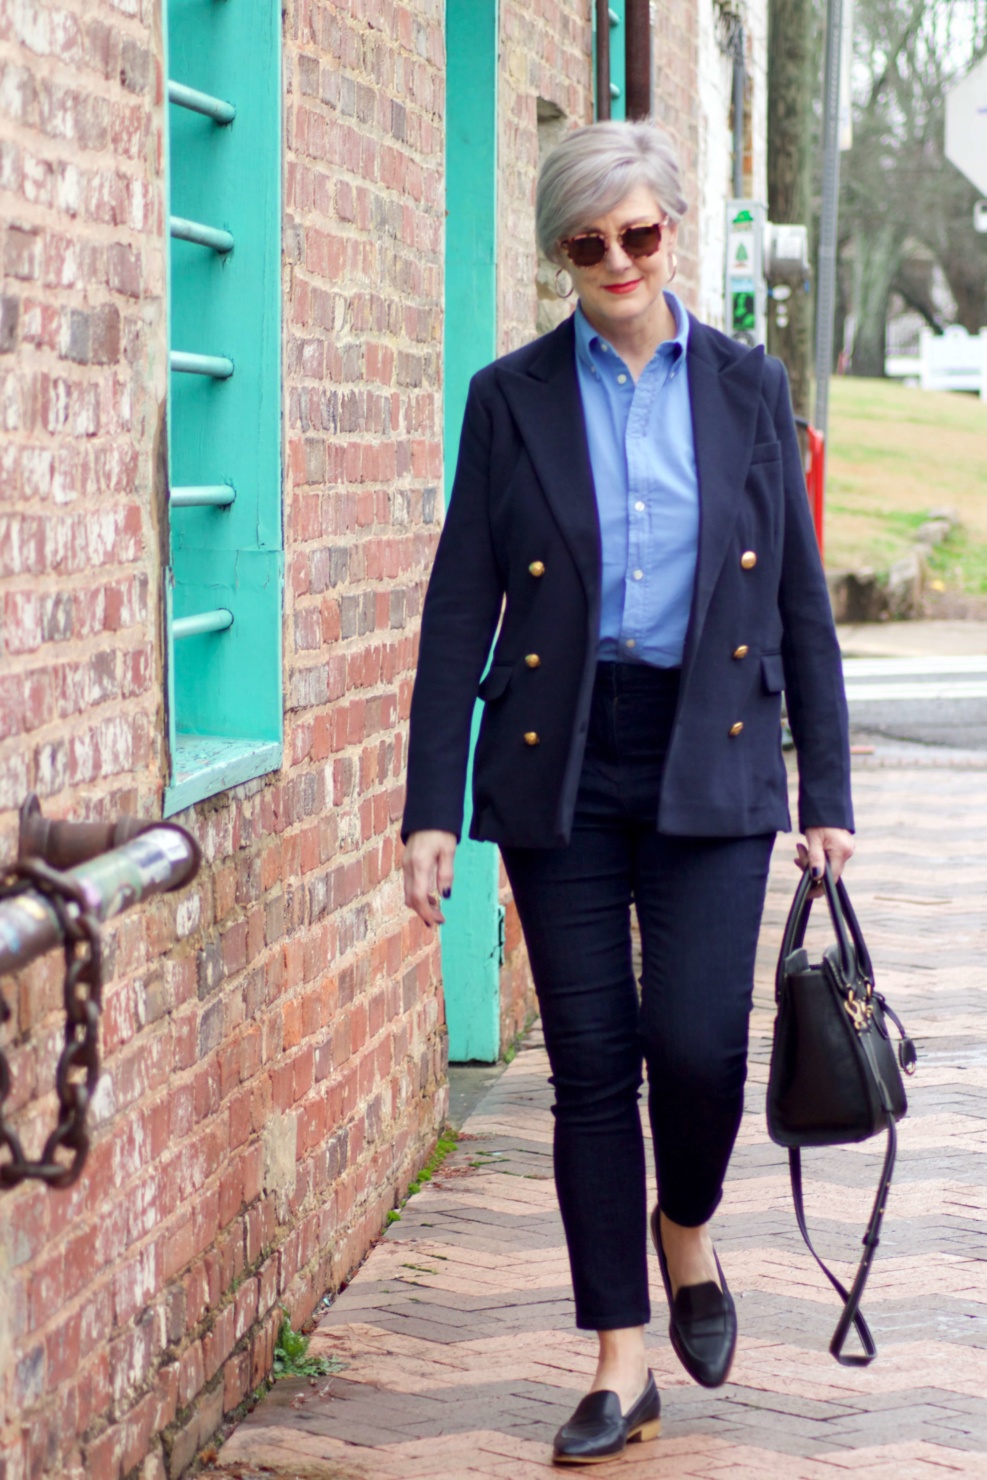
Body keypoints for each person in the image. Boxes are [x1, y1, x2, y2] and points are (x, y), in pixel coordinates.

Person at [401, 119, 854, 1467]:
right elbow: (454, 610)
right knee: (593, 1065)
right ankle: (616, 1360)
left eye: (639, 235)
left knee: (702, 1048)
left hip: (713, 752)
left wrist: (824, 792)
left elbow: (802, 606)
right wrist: (433, 806)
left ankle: (689, 1232)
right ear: (560, 255)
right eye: (586, 244)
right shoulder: (511, 399)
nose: (616, 261)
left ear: (674, 232)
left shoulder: (747, 388)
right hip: (564, 758)